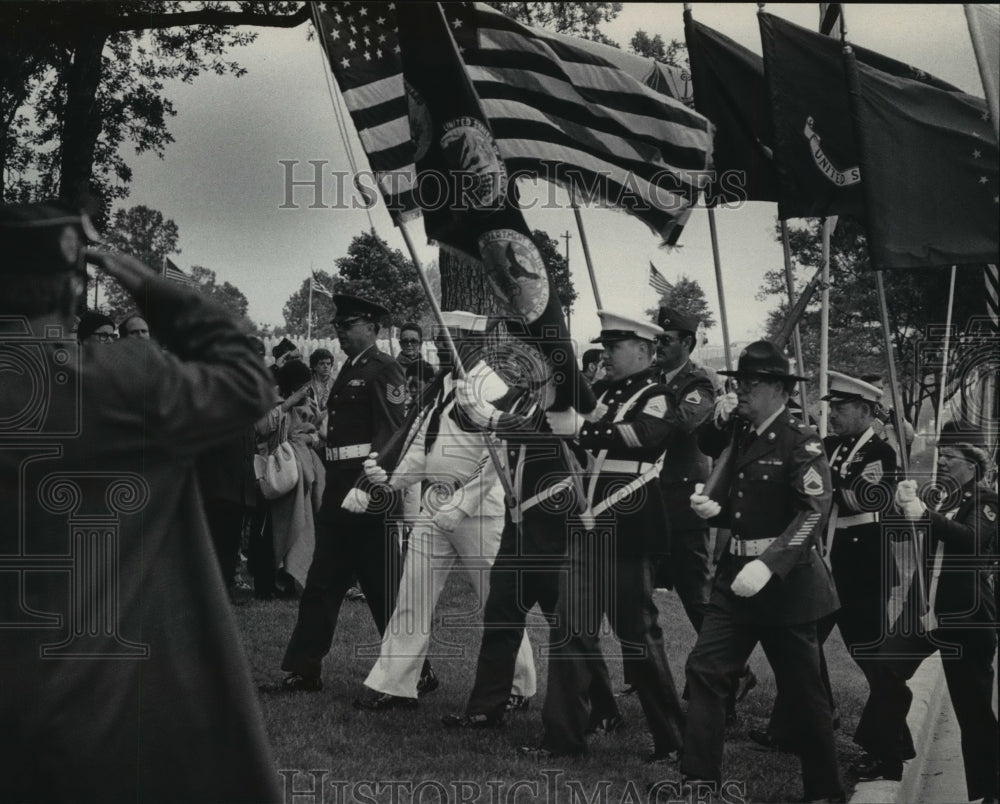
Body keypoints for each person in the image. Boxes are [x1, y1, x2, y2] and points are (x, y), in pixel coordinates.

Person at [0, 200, 279, 801]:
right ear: (74, 293)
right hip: (111, 708)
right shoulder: (123, 382)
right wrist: (153, 287)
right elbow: (247, 377)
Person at [683, 340, 843, 803]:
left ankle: (825, 792)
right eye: (739, 383)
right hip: (736, 579)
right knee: (705, 670)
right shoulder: (742, 435)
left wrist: (769, 565)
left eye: (751, 385)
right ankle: (698, 781)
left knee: (804, 695)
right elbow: (741, 500)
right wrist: (713, 511)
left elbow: (813, 512)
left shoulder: (801, 440)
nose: (742, 393)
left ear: (777, 389)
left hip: (786, 585)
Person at [354, 311, 535, 711]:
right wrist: (393, 479)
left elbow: (499, 457)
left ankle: (517, 686)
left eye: (446, 338)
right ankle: (396, 684)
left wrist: (465, 501)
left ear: (471, 341)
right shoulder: (443, 386)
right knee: (412, 596)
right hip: (434, 504)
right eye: (437, 337)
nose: (437, 344)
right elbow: (423, 444)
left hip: (479, 511)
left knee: (498, 601)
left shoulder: (491, 385)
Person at [442, 335, 622, 733]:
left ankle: (604, 706)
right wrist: (467, 394)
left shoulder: (569, 408)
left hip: (558, 531)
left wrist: (492, 419)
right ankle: (486, 708)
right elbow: (465, 418)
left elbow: (535, 435)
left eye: (534, 359)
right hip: (518, 528)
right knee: (501, 617)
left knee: (570, 627)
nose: (525, 365)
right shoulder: (522, 397)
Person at [537, 311, 686, 762]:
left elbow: (644, 436)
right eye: (603, 348)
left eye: (615, 348)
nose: (606, 356)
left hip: (629, 523)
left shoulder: (657, 394)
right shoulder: (602, 391)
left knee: (637, 635)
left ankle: (673, 740)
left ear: (643, 350)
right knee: (569, 629)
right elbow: (572, 431)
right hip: (588, 524)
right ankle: (563, 737)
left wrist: (583, 428)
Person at [279, 294, 435, 694]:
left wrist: (371, 487)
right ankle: (304, 668)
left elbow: (394, 435)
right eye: (338, 326)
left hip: (369, 495)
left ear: (371, 327)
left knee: (383, 589)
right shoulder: (350, 369)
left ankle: (417, 670)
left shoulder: (384, 369)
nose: (340, 332)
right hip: (338, 492)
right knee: (321, 583)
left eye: (347, 325)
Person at [753, 371, 898, 752]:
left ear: (866, 410)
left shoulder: (881, 452)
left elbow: (863, 499)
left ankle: (888, 738)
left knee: (870, 655)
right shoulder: (831, 444)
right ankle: (799, 724)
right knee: (802, 649)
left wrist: (824, 477)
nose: (832, 414)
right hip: (827, 560)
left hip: (862, 566)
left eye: (842, 408)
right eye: (832, 407)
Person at [856, 422, 997, 802]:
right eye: (943, 455)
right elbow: (915, 536)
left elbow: (969, 542)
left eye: (951, 457)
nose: (944, 462)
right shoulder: (944, 497)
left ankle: (991, 789)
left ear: (973, 462)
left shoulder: (985, 501)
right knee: (886, 667)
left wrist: (924, 514)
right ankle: (887, 755)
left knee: (974, 712)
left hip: (966, 618)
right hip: (924, 607)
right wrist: (904, 506)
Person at [652, 306, 717, 627]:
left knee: (697, 597)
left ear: (687, 344)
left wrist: (640, 422)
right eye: (656, 339)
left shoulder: (699, 384)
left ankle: (730, 673)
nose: (658, 346)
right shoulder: (650, 379)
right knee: (630, 593)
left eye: (666, 340)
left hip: (682, 506)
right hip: (648, 502)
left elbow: (682, 424)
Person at [397, 321, 436, 407]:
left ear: (420, 343)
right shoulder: (392, 368)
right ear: (400, 343)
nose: (409, 344)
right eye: (405, 341)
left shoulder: (430, 369)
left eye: (413, 341)